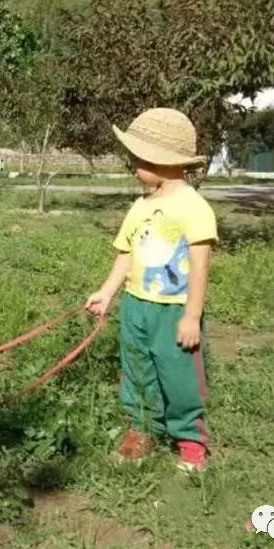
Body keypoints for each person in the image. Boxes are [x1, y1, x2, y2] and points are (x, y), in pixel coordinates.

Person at [85, 108, 217, 473]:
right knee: (137, 370)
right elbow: (126, 254)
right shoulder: (140, 207)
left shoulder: (194, 208)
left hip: (174, 310)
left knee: (180, 375)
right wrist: (107, 292)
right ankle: (142, 429)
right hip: (136, 307)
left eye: (138, 160)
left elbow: (201, 264)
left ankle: (189, 439)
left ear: (162, 162)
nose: (134, 167)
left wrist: (192, 316)